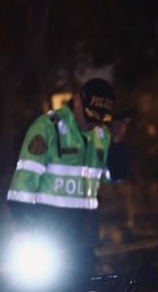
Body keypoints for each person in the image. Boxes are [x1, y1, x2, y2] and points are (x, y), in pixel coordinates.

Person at [6, 77, 129, 274]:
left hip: (84, 237)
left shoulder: (101, 134)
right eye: (90, 116)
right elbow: (22, 187)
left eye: (99, 119)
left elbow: (116, 175)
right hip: (47, 234)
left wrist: (118, 141)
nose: (92, 124)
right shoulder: (48, 127)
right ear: (78, 101)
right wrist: (25, 230)